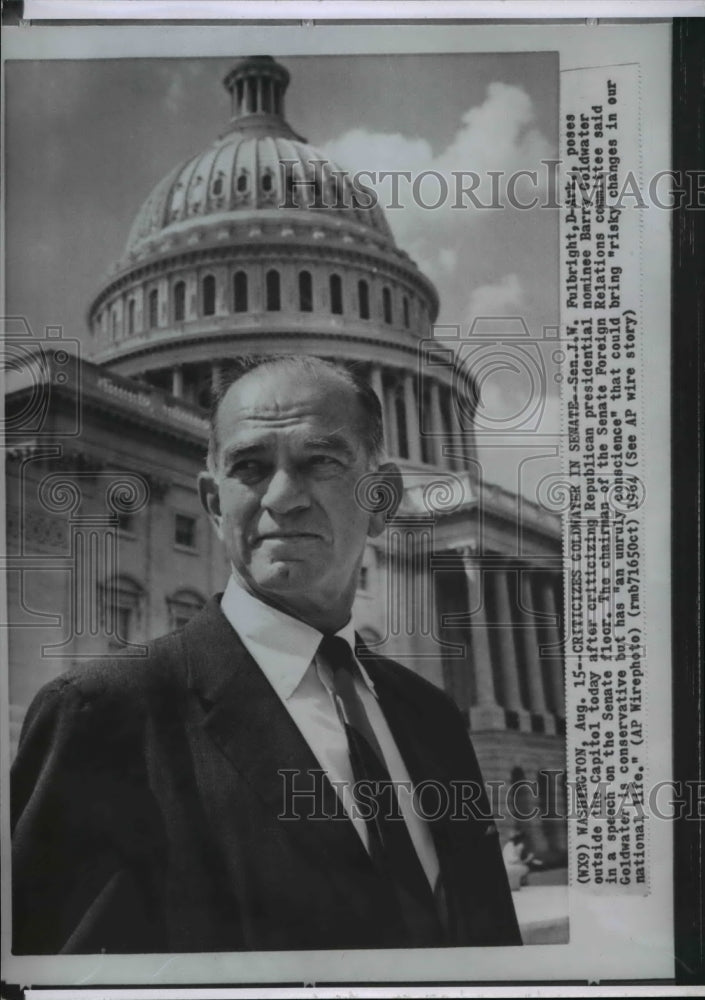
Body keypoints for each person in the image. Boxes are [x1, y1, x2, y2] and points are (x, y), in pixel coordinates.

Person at [11, 355, 520, 954]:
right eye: (250, 468)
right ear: (212, 501)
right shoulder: (103, 717)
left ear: (381, 498)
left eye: (320, 462)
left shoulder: (431, 717)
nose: (282, 497)